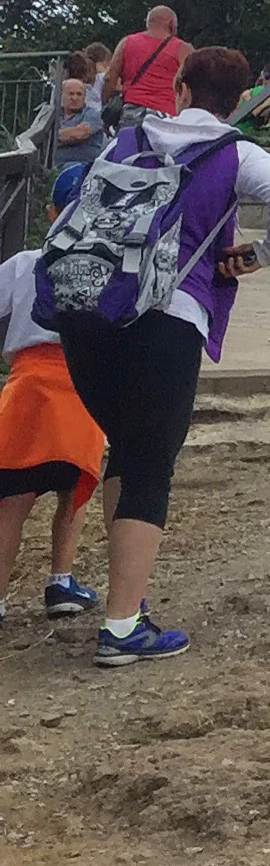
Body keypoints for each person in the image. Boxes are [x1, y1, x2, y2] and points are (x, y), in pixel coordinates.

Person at [54, 44, 270, 663]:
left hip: (87, 310)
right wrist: (263, 255)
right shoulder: (234, 152)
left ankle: (126, 602)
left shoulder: (125, 141)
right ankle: (121, 627)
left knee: (128, 446)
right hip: (167, 316)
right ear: (239, 101)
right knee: (150, 463)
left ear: (182, 90)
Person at [0, 165, 107, 626]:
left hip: (27, 389)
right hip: (82, 388)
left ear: (51, 212)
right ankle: (61, 579)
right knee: (74, 490)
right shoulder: (105, 264)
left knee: (11, 502)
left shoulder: (24, 264)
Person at [103, 6, 189, 119]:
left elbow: (110, 77)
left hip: (133, 109)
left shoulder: (127, 42)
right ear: (172, 24)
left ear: (148, 23)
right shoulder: (182, 48)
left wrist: (106, 101)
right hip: (167, 113)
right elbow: (192, 84)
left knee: (130, 136)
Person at [50, 55, 106, 154]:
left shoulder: (91, 113)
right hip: (53, 165)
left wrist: (50, 138)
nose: (75, 98)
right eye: (71, 94)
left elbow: (79, 134)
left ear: (84, 97)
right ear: (62, 95)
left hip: (80, 165)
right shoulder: (53, 115)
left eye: (79, 94)